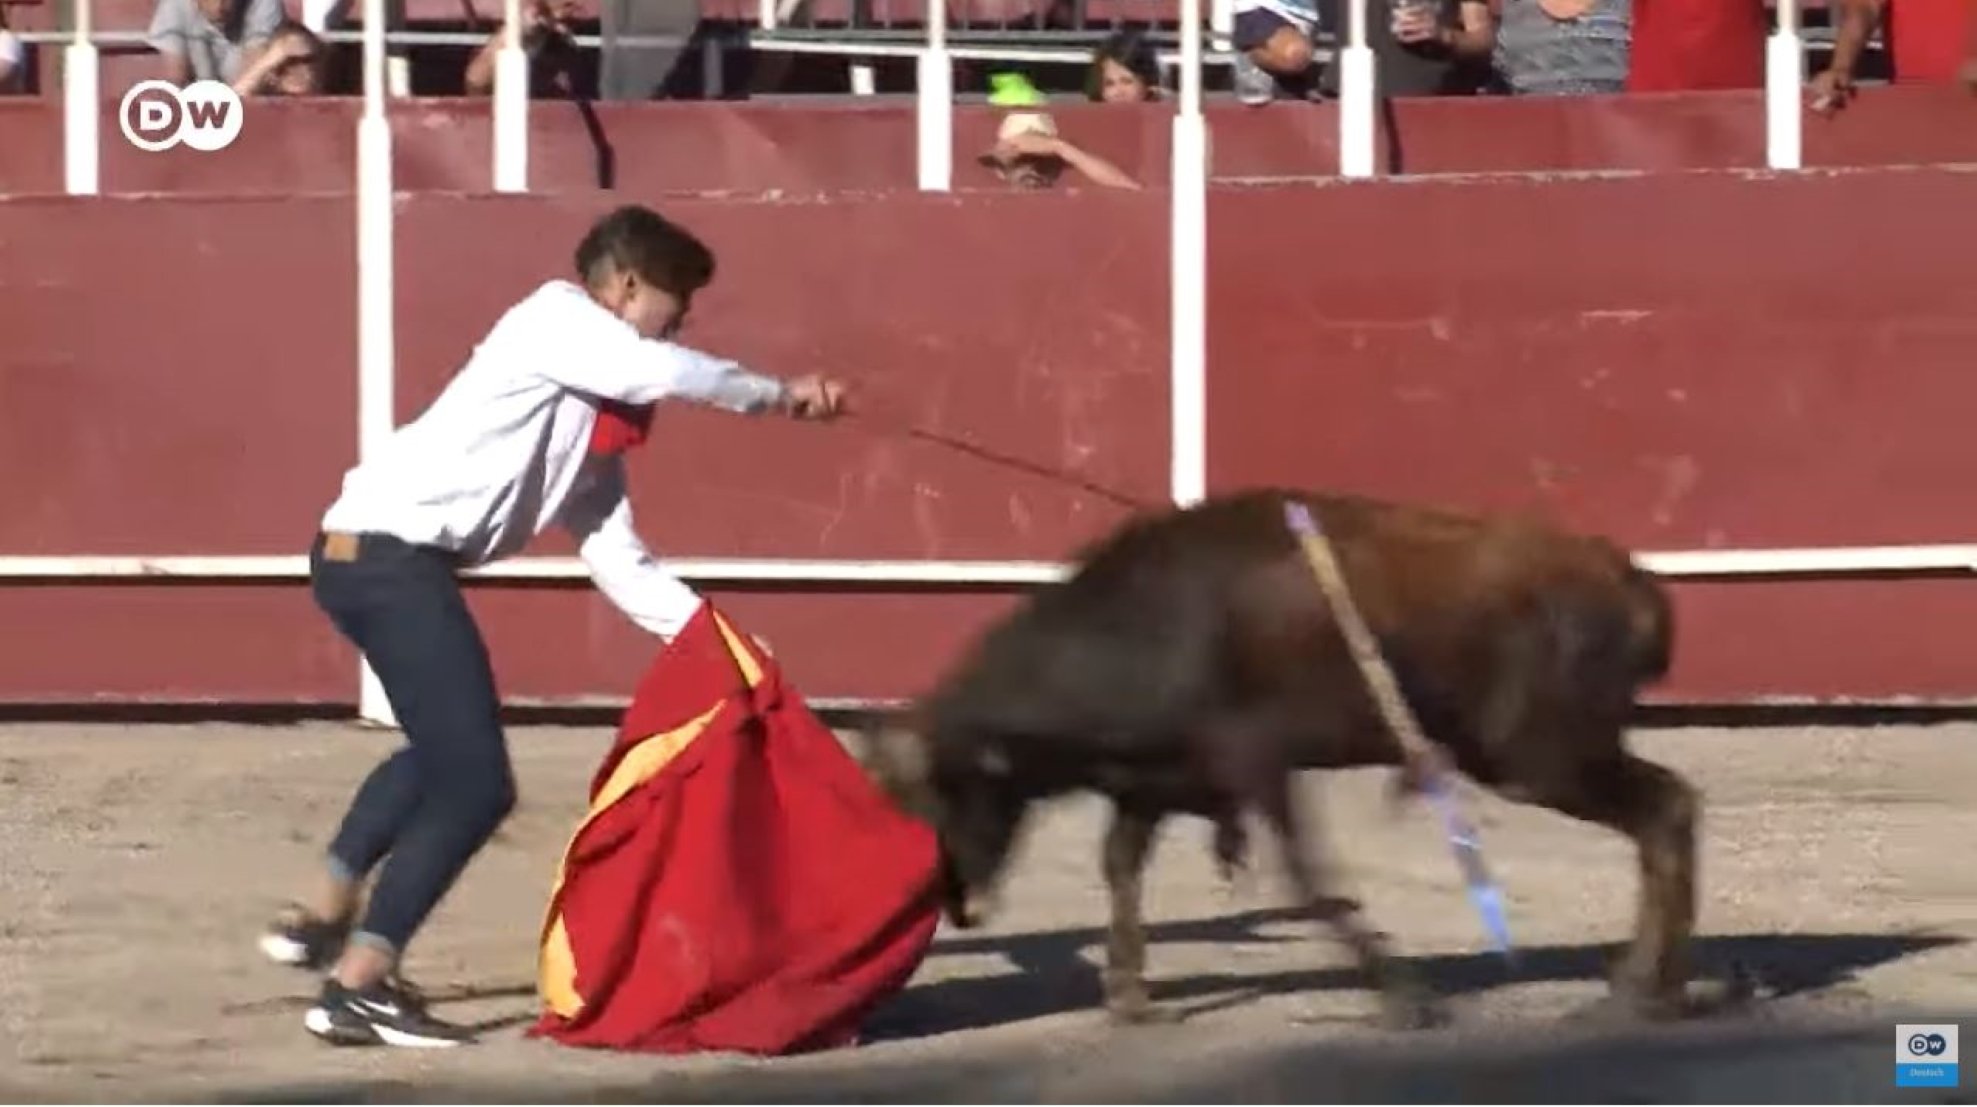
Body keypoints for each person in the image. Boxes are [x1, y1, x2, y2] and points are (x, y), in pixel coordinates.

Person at [258, 204, 848, 1049]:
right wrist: (779, 398)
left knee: (440, 753)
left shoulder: (586, 432)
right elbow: (665, 370)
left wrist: (719, 642)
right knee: (475, 783)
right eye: (672, 303)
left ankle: (322, 911)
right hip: (387, 560)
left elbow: (618, 558)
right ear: (627, 285)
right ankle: (359, 984)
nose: (680, 321)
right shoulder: (556, 316)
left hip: (367, 557)